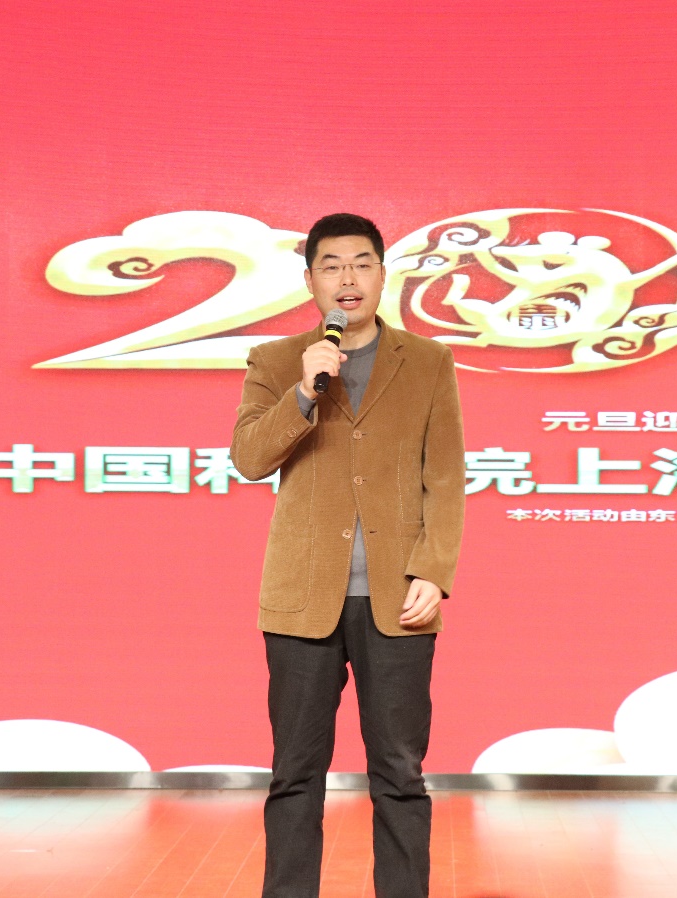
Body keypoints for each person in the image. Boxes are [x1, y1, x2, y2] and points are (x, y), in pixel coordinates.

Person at [231, 213, 466, 898]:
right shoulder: (277, 361)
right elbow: (249, 457)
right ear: (310, 280)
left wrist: (434, 570)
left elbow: (444, 475)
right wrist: (305, 391)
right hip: (302, 598)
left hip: (397, 598)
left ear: (383, 274)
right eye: (331, 266)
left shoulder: (428, 361)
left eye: (361, 263)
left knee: (400, 773)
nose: (348, 279)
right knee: (294, 773)